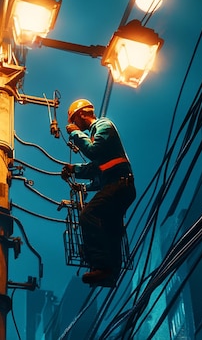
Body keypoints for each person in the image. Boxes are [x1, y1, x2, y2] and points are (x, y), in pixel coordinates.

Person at [61, 98, 136, 287]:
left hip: (119, 184)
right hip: (120, 186)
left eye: (73, 121)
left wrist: (76, 134)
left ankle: (101, 266)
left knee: (89, 214)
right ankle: (109, 273)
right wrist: (74, 169)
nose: (73, 125)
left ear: (81, 114)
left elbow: (94, 151)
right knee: (112, 228)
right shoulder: (98, 135)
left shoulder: (103, 125)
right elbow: (97, 168)